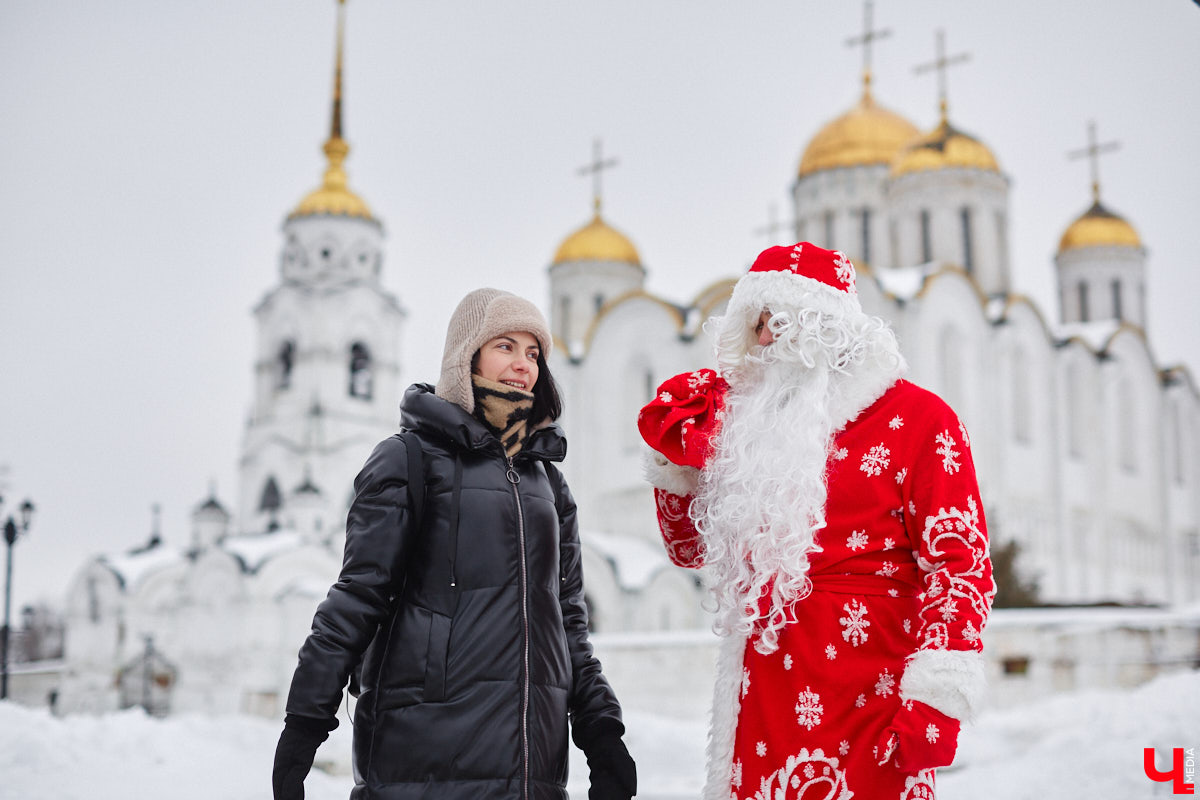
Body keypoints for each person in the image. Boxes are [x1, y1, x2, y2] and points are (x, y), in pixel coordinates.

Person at [638, 243, 994, 800]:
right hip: (763, 697)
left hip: (871, 692)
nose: (760, 339)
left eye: (774, 320)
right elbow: (687, 551)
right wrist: (675, 461)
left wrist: (938, 697)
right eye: (752, 323)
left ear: (824, 325)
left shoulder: (919, 419)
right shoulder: (751, 433)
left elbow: (961, 565)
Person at [273, 288, 637, 800]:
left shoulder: (548, 485)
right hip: (421, 760)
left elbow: (568, 625)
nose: (523, 365)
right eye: (505, 346)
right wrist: (304, 724)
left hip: (534, 769)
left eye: (534, 353)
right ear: (468, 354)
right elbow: (358, 597)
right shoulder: (409, 459)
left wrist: (603, 735)